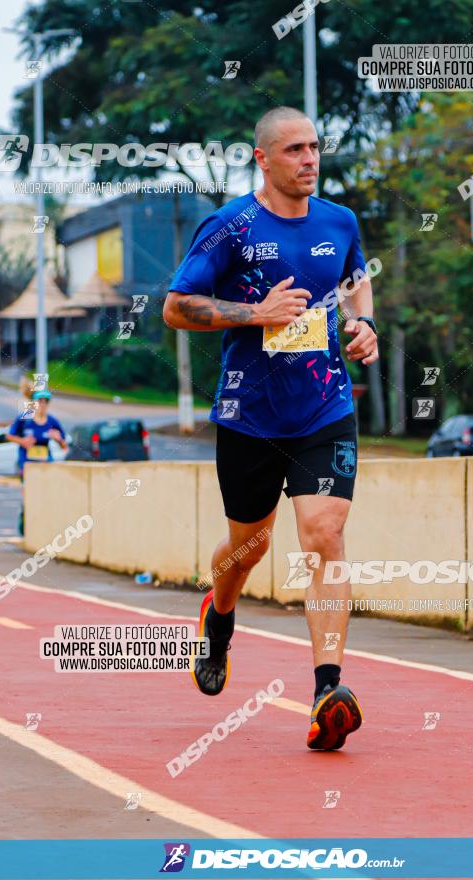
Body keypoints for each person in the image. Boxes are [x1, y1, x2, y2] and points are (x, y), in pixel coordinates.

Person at [163, 106, 378, 751]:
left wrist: (364, 327)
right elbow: (176, 308)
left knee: (325, 536)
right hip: (249, 415)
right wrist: (256, 312)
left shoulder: (340, 222)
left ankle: (327, 692)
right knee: (246, 551)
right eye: (294, 150)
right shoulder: (230, 227)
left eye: (314, 148)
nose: (309, 160)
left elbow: (356, 281)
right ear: (262, 158)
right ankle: (219, 616)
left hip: (324, 409)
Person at [6, 385, 68, 534]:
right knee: (29, 494)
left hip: (45, 463)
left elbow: (64, 445)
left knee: (47, 495)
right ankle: (25, 517)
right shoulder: (25, 418)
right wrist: (23, 441)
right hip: (27, 463)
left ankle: (44, 524)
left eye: (46, 401)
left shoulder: (52, 421)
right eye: (40, 401)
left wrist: (58, 439)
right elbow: (9, 435)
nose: (43, 405)